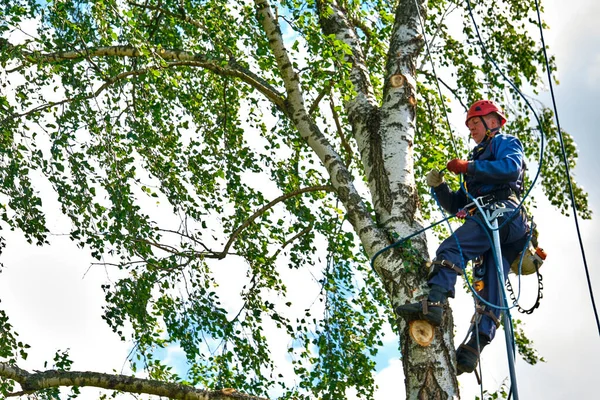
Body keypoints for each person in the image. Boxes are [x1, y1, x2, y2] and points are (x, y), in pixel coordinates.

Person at [395, 100, 529, 374]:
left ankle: (433, 303)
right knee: (490, 288)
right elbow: (459, 205)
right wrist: (440, 188)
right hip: (498, 224)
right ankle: (472, 350)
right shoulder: (477, 159)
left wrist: (468, 167)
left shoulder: (504, 142)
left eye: (475, 124)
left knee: (452, 248)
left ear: (492, 121)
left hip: (503, 214)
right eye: (469, 126)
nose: (471, 130)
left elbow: (511, 168)